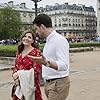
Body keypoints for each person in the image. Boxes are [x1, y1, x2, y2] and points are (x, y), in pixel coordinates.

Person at [28, 14, 70, 100]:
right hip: (51, 83)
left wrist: (46, 63)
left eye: (36, 28)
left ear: (42, 26)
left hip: (57, 83)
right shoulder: (49, 40)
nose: (36, 32)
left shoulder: (59, 40)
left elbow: (64, 65)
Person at [12, 29, 43, 100]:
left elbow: (36, 70)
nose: (26, 38)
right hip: (19, 86)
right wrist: (15, 76)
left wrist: (19, 74)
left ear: (32, 41)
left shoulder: (36, 52)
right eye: (25, 36)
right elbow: (15, 67)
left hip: (31, 86)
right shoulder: (19, 53)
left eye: (29, 37)